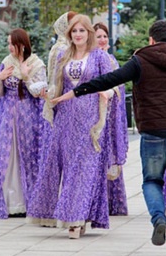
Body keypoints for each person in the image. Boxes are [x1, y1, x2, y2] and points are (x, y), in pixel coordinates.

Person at [51, 20, 166, 256]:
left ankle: (158, 220)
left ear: (151, 40)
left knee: (152, 181)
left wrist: (75, 92)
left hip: (154, 132)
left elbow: (109, 80)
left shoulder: (140, 61)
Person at [26, 14, 127, 239]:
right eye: (74, 31)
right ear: (69, 35)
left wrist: (107, 93)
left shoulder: (100, 57)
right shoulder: (63, 55)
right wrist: (45, 93)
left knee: (84, 170)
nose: (78, 35)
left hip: (90, 122)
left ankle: (76, 220)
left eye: (82, 31)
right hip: (65, 120)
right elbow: (57, 86)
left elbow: (114, 86)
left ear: (88, 33)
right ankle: (75, 217)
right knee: (69, 169)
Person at [0, 28, 47, 219]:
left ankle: (26, 202)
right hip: (8, 116)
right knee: (6, 155)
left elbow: (39, 93)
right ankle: (5, 202)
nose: (9, 47)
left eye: (11, 43)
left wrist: (25, 75)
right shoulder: (6, 63)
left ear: (21, 44)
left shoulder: (36, 64)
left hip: (27, 116)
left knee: (26, 155)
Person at [94, 22, 129, 216]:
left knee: (111, 155)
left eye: (105, 36)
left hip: (110, 114)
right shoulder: (90, 59)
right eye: (99, 36)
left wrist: (112, 91)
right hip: (95, 116)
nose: (102, 40)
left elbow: (119, 85)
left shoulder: (111, 59)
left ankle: (113, 202)